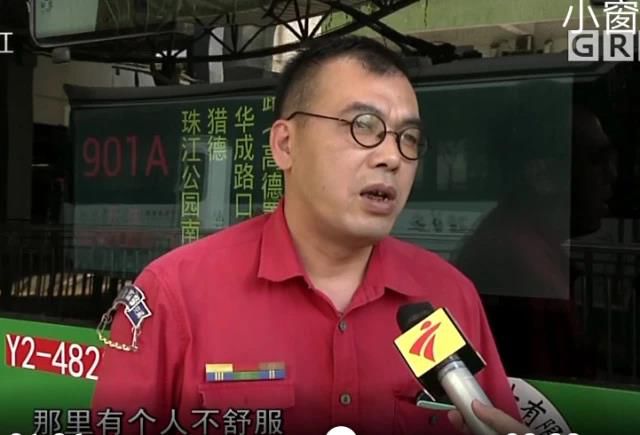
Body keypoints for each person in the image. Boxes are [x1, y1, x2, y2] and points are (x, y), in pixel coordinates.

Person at [92, 35, 527, 435]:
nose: (392, 157)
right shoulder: (176, 295)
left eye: (409, 138)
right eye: (363, 126)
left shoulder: (449, 295)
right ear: (285, 145)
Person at [455, 104, 617, 379]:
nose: (611, 174)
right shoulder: (521, 265)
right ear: (542, 175)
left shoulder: (516, 243)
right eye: (596, 160)